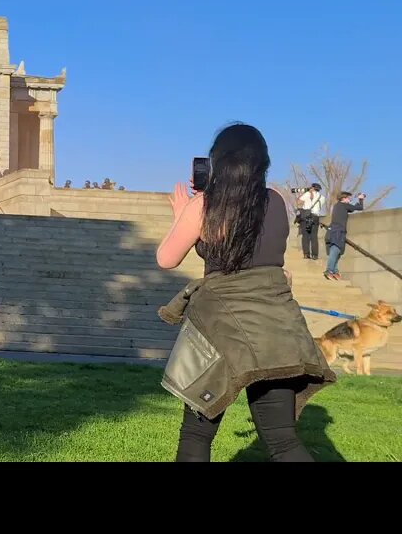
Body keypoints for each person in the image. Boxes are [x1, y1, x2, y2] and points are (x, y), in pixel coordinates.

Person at [155, 123, 336, 462]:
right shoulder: (280, 199)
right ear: (262, 163)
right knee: (283, 441)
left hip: (218, 330)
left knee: (196, 434)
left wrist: (183, 215)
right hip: (275, 328)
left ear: (218, 162)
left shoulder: (205, 206)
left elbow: (166, 258)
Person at [324, 191, 365, 280]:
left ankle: (334, 270)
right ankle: (329, 270)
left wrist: (357, 202)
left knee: (337, 252)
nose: (349, 200)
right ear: (343, 198)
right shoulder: (343, 205)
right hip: (338, 232)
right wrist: (361, 199)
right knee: (335, 250)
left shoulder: (338, 206)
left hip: (333, 231)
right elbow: (360, 208)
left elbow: (352, 208)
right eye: (348, 198)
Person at [295, 183, 327, 260]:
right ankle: (315, 255)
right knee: (314, 236)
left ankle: (306, 254)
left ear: (312, 188)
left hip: (307, 216)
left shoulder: (308, 194)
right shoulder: (322, 198)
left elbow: (298, 202)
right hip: (316, 217)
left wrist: (302, 194)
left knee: (305, 236)